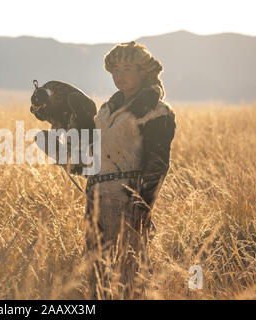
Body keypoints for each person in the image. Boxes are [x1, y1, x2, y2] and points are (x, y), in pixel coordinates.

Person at [85, 41, 176, 299]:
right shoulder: (106, 110)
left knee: (129, 277)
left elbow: (157, 166)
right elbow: (95, 155)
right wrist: (63, 152)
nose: (119, 75)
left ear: (143, 71)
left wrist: (143, 207)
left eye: (126, 68)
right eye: (114, 69)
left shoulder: (156, 111)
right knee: (97, 277)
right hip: (95, 202)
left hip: (128, 202)